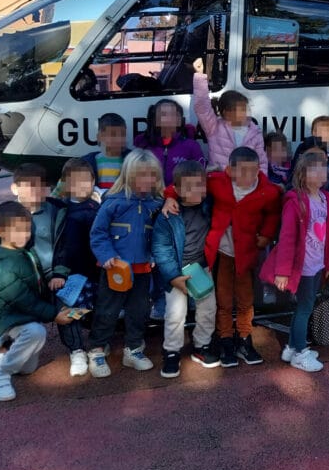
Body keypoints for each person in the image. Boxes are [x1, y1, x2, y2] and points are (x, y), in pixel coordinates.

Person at [0, 202, 75, 401]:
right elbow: (24, 300)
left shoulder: (21, 250)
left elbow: (34, 282)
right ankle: (0, 374)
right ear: (0, 231)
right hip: (5, 315)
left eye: (27, 230)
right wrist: (54, 314)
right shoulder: (4, 267)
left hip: (16, 310)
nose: (24, 235)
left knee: (28, 368)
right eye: (17, 231)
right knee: (36, 332)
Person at [260, 148, 329, 372]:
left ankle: (291, 348)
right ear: (303, 175)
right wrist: (283, 271)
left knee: (306, 306)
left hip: (318, 265)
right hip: (303, 266)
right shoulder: (296, 201)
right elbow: (286, 238)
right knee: (305, 307)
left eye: (323, 168)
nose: (320, 172)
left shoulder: (328, 201)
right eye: (314, 169)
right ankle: (298, 351)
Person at [86, 150, 165, 377]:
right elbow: (98, 233)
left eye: (152, 175)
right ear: (128, 175)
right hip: (114, 270)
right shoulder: (113, 203)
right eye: (141, 175)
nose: (147, 181)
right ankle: (97, 349)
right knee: (107, 310)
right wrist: (106, 255)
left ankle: (133, 349)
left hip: (142, 270)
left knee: (138, 311)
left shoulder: (156, 204)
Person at [201, 146, 281, 367]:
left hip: (246, 256)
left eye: (253, 171)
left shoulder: (267, 190)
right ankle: (225, 338)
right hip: (223, 254)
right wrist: (169, 196)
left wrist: (266, 234)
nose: (249, 176)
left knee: (246, 300)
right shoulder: (218, 182)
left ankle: (244, 338)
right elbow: (189, 183)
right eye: (242, 171)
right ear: (229, 170)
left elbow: (274, 211)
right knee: (224, 299)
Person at [151, 161, 215, 379]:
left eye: (199, 185)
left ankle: (202, 346)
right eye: (188, 187)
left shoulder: (208, 205)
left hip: (202, 268)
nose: (194, 191)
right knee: (175, 314)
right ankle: (171, 351)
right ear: (177, 190)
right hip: (177, 271)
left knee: (208, 308)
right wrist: (173, 276)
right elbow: (161, 249)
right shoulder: (168, 214)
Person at [50, 158, 101, 376]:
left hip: (98, 270)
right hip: (72, 273)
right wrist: (59, 270)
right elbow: (59, 244)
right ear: (66, 185)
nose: (82, 186)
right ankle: (77, 350)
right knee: (70, 310)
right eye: (75, 182)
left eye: (86, 181)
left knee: (99, 310)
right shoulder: (61, 209)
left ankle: (98, 346)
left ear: (93, 182)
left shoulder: (100, 206)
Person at [193, 57, 267, 174]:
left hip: (247, 184)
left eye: (245, 108)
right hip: (221, 184)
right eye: (240, 110)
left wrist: (261, 186)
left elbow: (261, 162)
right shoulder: (214, 128)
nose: (244, 113)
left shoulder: (254, 132)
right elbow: (202, 106)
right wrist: (199, 76)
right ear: (226, 112)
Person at [134, 98, 205, 186]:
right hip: (150, 197)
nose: (170, 118)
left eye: (174, 114)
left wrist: (172, 195)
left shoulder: (192, 146)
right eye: (164, 114)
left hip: (180, 197)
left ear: (179, 120)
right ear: (155, 120)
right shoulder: (143, 144)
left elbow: (199, 178)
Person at [81, 112, 131, 196]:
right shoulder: (87, 162)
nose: (118, 139)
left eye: (122, 135)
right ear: (100, 136)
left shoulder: (131, 160)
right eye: (113, 135)